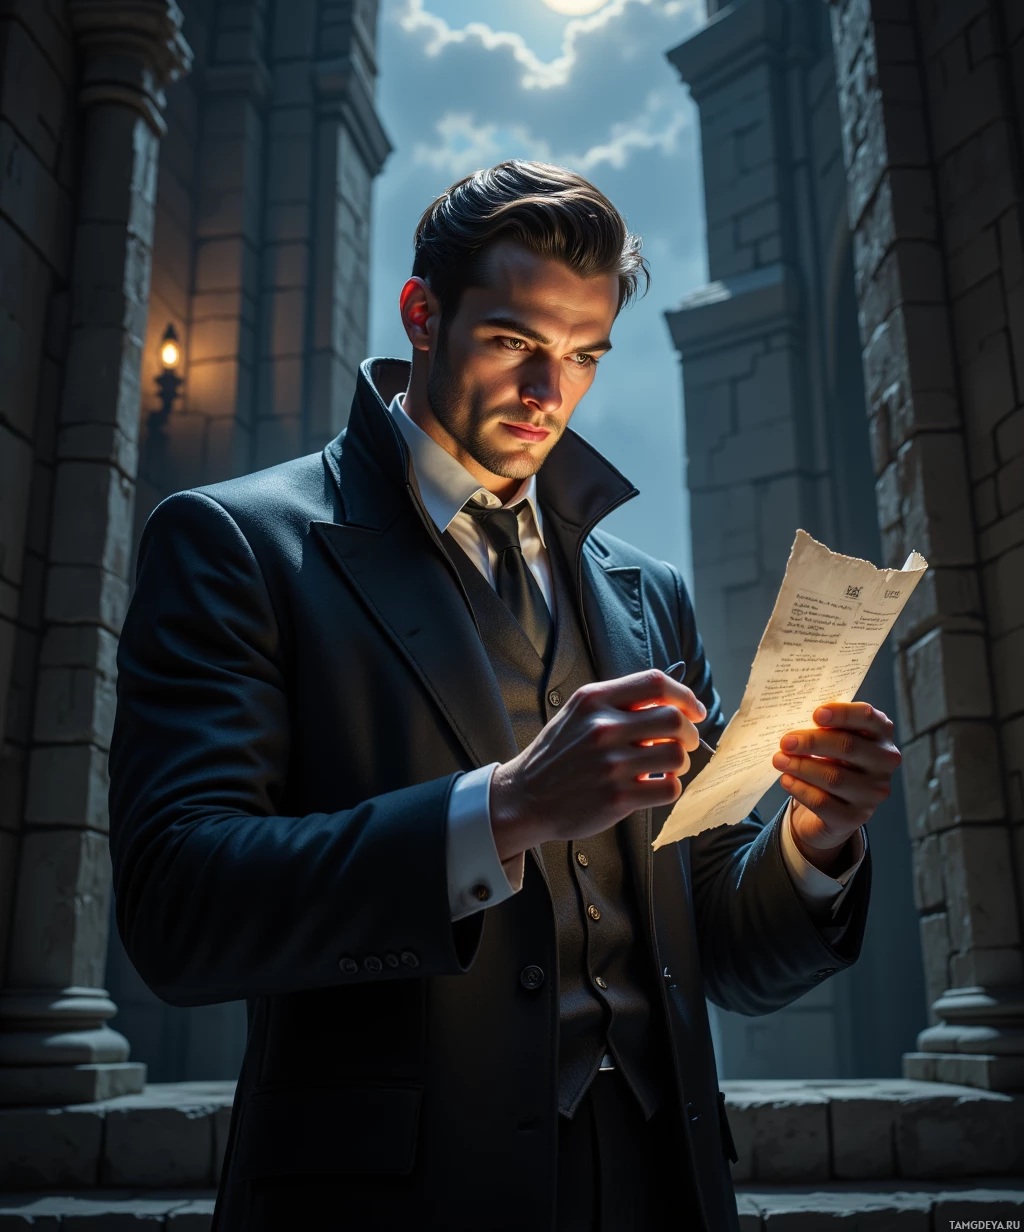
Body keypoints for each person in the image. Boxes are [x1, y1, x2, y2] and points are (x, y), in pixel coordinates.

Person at [109, 161, 900, 1232]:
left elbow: (721, 946)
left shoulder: (649, 594)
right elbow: (178, 907)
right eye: (513, 341)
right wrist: (506, 809)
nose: (547, 393)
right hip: (395, 1204)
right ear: (422, 315)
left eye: (582, 356)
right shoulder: (236, 544)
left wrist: (815, 839)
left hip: (662, 1185)